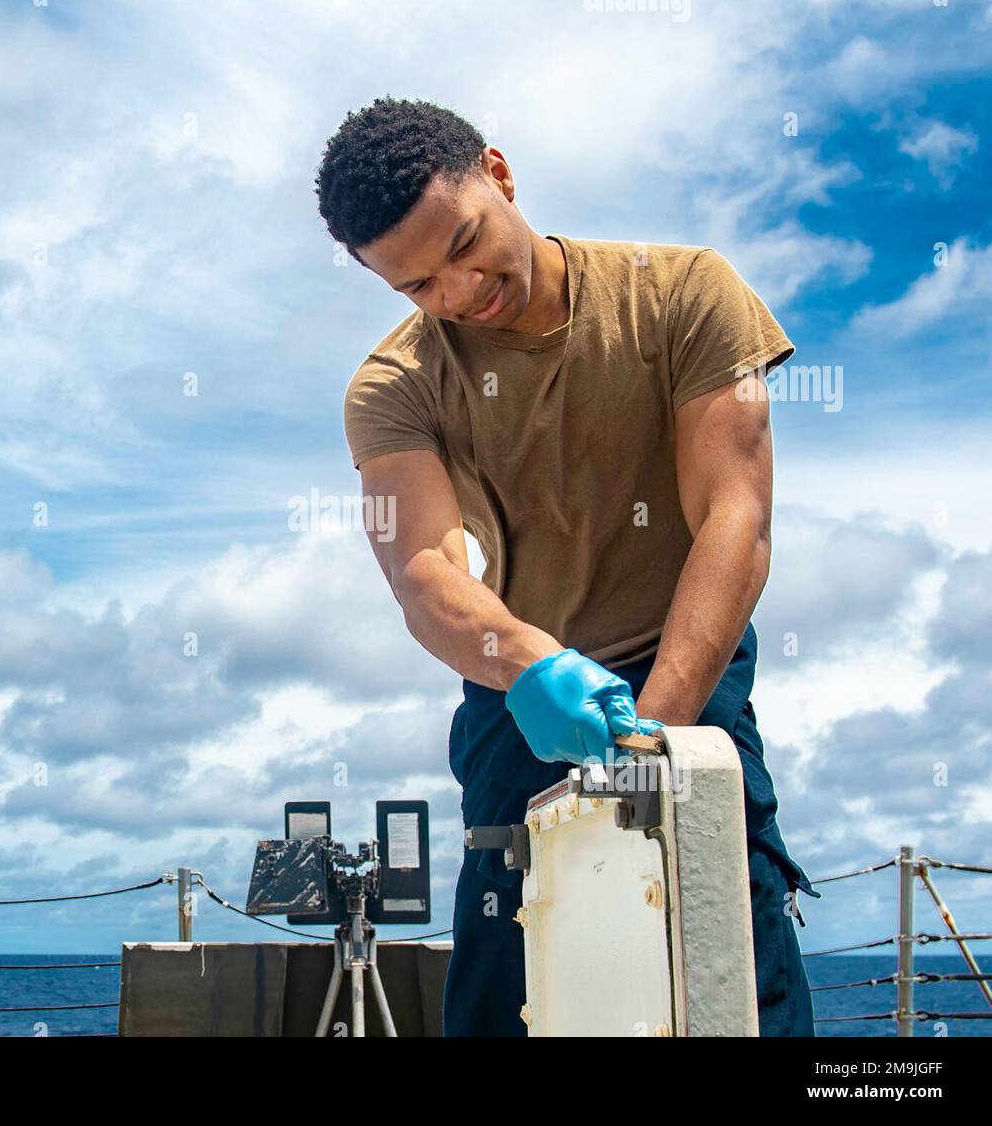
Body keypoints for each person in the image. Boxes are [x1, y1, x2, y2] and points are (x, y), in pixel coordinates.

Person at [314, 96, 819, 1036]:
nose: (461, 292)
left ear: (499, 174)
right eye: (419, 286)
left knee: (731, 949)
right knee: (511, 977)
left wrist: (649, 744)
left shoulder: (687, 293)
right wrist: (528, 663)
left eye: (466, 244)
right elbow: (423, 567)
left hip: (692, 672)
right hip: (522, 700)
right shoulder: (391, 386)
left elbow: (734, 517)